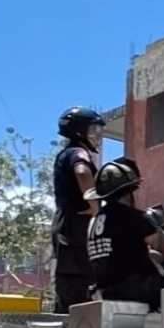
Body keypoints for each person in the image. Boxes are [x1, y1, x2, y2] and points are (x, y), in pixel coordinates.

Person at [85, 158, 164, 311]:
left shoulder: (94, 222)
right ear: (129, 192)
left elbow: (118, 255)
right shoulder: (132, 217)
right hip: (136, 293)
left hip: (105, 293)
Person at [52, 107, 105, 313]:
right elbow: (82, 172)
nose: (98, 135)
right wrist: (95, 207)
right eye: (93, 130)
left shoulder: (65, 154)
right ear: (78, 131)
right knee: (77, 288)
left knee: (73, 287)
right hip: (75, 229)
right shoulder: (78, 152)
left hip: (69, 227)